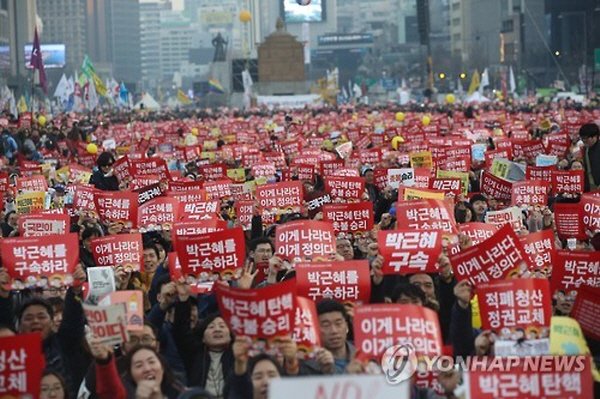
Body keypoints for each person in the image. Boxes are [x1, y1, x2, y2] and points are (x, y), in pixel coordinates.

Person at [92, 342, 185, 399]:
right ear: (131, 374)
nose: (147, 369)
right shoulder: (125, 394)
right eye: (139, 365)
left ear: (162, 367)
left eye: (151, 362)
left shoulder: (182, 392)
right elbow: (111, 391)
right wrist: (104, 360)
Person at [580, 123, 600, 192]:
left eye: (586, 138)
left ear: (595, 137)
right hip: (590, 188)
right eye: (582, 138)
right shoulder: (585, 149)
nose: (584, 141)